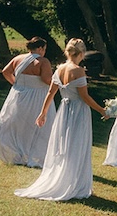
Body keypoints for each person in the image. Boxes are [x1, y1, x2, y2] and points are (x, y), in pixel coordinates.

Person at [15, 38, 106, 202]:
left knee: (65, 145)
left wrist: (42, 113)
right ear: (82, 53)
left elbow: (50, 93)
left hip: (64, 111)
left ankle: (68, 179)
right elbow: (84, 97)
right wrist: (102, 110)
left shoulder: (60, 69)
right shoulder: (78, 70)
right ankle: (74, 184)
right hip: (77, 111)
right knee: (76, 144)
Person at [0, 37, 54, 167]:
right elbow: (47, 79)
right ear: (40, 48)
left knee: (18, 123)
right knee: (39, 125)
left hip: (18, 94)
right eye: (44, 49)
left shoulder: (18, 59)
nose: (44, 52)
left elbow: (6, 71)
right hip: (37, 96)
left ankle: (17, 152)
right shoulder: (42, 61)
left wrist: (16, 84)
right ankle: (34, 153)